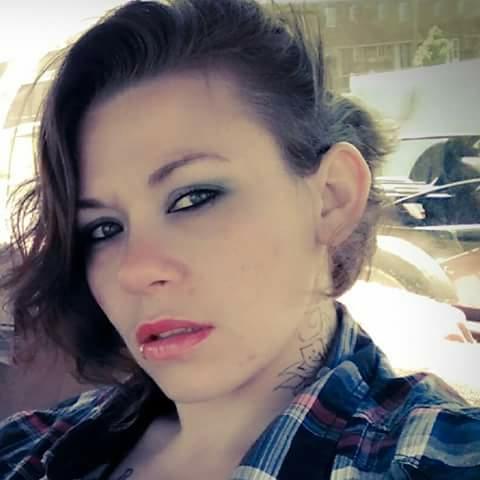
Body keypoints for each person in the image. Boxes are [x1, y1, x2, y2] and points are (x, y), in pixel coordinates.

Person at [0, 1, 479, 478]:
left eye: (193, 198)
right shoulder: (28, 446)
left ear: (331, 198)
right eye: (104, 229)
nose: (134, 270)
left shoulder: (438, 457)